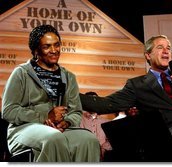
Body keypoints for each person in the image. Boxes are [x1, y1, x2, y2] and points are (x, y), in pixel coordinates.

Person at [1, 24, 100, 162]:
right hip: (24, 129)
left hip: (59, 129)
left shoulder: (68, 76)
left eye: (57, 45)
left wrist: (65, 123)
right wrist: (44, 117)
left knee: (88, 140)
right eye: (46, 46)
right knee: (53, 138)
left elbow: (76, 111)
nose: (54, 50)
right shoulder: (21, 73)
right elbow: (8, 111)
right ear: (36, 50)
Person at [80, 91, 112, 161]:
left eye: (95, 101)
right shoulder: (78, 120)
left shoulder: (106, 122)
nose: (93, 103)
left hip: (102, 159)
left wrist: (104, 149)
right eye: (90, 100)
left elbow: (110, 140)